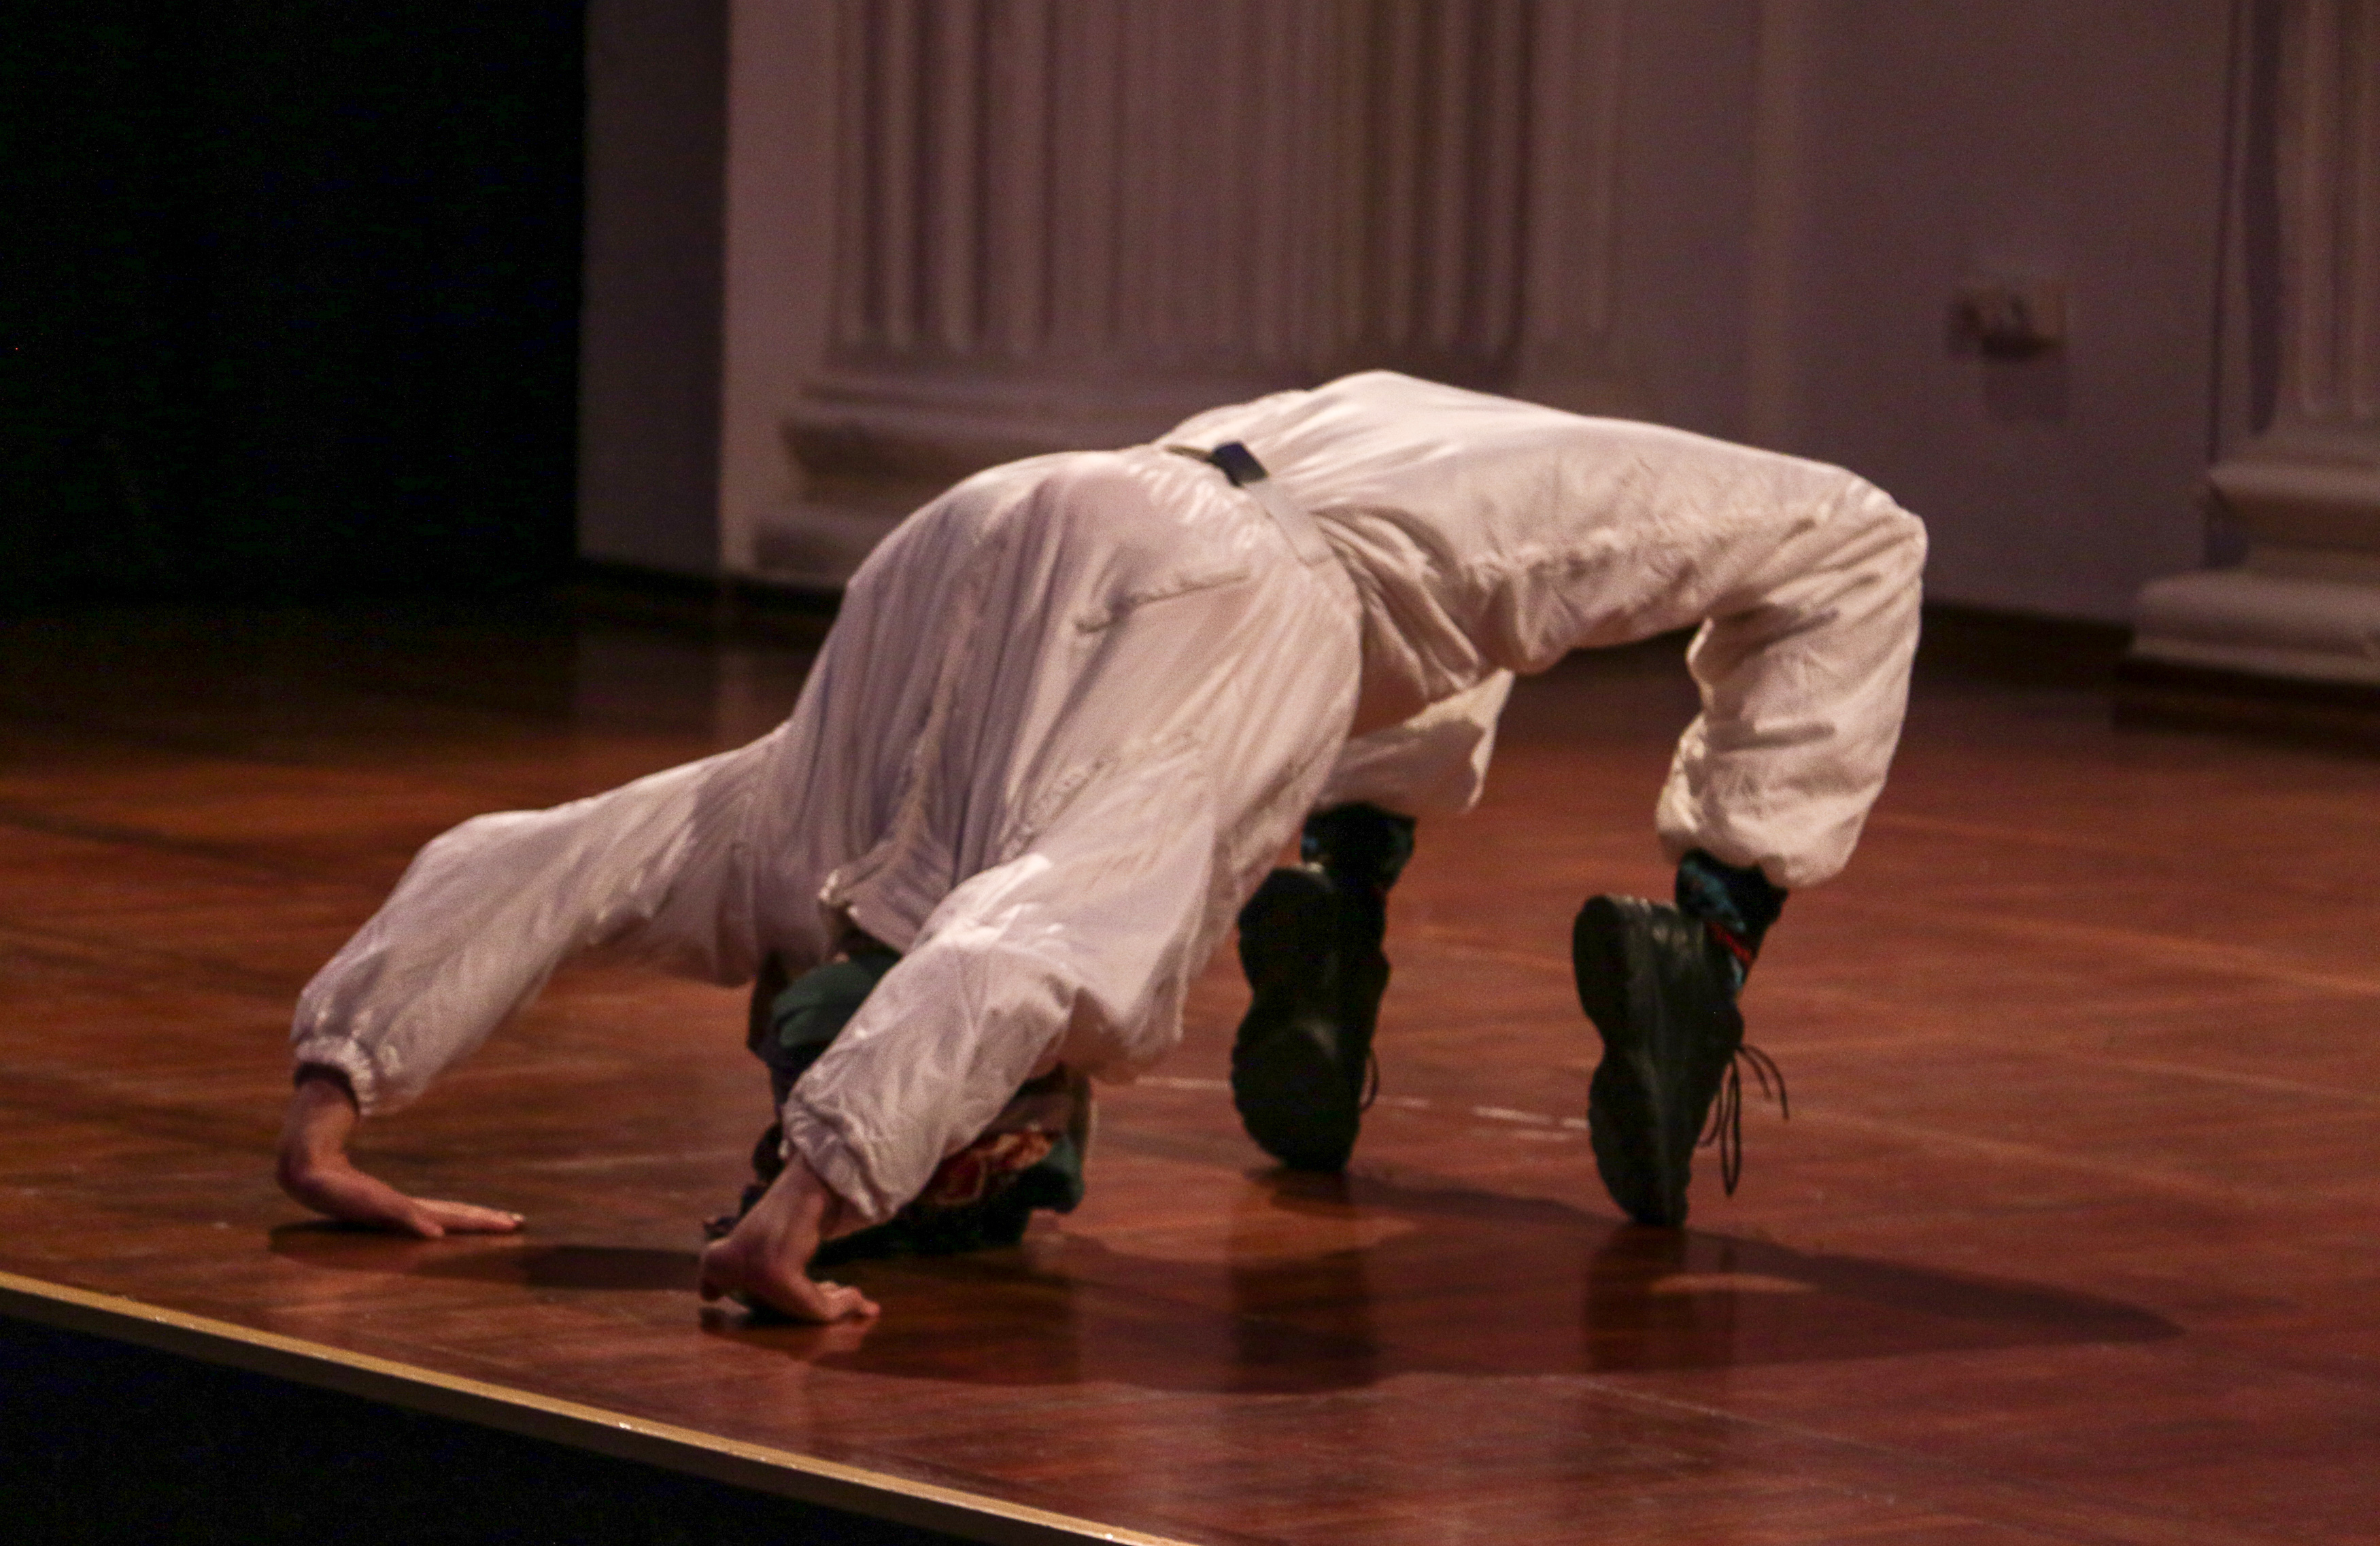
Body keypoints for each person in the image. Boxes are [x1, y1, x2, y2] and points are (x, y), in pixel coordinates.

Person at [275, 372, 1925, 1323]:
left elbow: (1009, 964)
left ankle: (1701, 924)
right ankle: (1340, 868)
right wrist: (328, 1110)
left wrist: (794, 1213)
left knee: (1856, 534)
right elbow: (533, 856)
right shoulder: (786, 853)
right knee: (1376, 642)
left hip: (1272, 557)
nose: (1049, 1159)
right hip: (1021, 506)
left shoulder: (1046, 865)